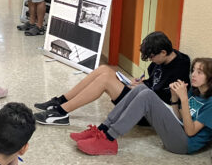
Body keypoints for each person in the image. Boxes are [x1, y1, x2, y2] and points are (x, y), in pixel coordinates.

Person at [71, 58, 212, 156]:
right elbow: (180, 118)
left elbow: (190, 132)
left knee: (147, 95)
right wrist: (175, 98)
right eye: (194, 70)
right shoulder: (195, 91)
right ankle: (103, 130)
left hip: (184, 145)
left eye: (200, 72)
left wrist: (184, 99)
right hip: (178, 131)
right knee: (141, 89)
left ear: (211, 78)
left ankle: (109, 139)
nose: (193, 75)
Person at [34, 31, 190, 126]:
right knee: (103, 70)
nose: (151, 60)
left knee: (105, 81)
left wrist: (142, 88)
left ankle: (61, 112)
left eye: (152, 57)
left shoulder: (180, 67)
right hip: (143, 94)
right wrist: (142, 83)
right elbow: (153, 82)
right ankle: (61, 101)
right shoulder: (164, 57)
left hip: (151, 111)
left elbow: (166, 99)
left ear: (163, 52)